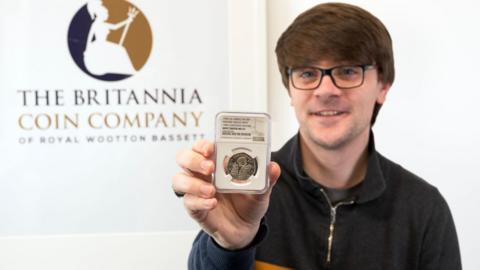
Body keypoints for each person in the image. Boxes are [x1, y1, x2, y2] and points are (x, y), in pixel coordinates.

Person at [172, 2, 462, 269]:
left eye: (348, 71)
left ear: (383, 85)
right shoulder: (245, 192)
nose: (325, 90)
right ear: (290, 89)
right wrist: (232, 245)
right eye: (308, 74)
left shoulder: (424, 210)